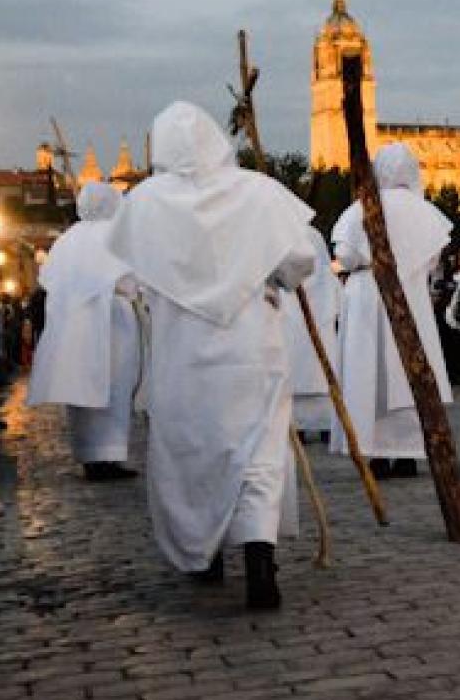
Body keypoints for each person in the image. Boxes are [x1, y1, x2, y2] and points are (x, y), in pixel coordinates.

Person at [107, 102, 315, 610]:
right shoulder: (258, 191)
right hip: (249, 344)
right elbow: (300, 260)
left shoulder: (144, 202)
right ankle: (260, 557)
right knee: (258, 450)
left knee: (192, 448)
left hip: (182, 352)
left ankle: (205, 552)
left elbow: (127, 276)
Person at [331, 143, 454, 480]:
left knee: (371, 372)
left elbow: (346, 254)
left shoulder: (363, 208)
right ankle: (408, 453)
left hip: (369, 300)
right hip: (411, 298)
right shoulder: (425, 213)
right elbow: (432, 260)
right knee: (409, 373)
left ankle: (377, 452)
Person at [27, 182, 142, 480]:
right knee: (114, 387)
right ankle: (110, 453)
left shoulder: (68, 240)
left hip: (75, 322)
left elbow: (51, 282)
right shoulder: (115, 235)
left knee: (82, 388)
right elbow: (131, 278)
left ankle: (90, 455)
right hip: (113, 319)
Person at [283, 227, 340, 445]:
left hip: (295, 331)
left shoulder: (288, 283)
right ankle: (324, 426)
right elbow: (340, 307)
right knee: (319, 376)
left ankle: (300, 428)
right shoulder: (328, 281)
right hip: (316, 338)